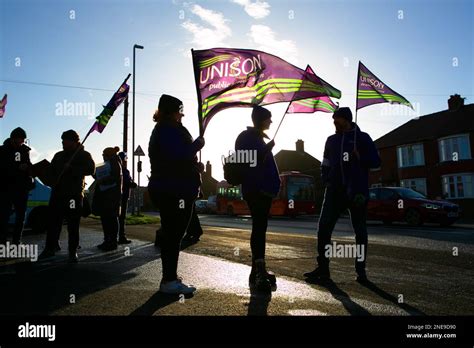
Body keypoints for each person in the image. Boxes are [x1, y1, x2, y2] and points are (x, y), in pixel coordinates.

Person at [303, 107, 381, 283]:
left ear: (346, 120)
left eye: (336, 120)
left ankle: (361, 272)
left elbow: (376, 162)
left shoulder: (363, 138)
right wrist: (326, 179)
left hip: (357, 192)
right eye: (333, 120)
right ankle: (323, 270)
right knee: (323, 228)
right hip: (334, 192)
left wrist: (361, 157)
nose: (334, 123)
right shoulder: (331, 140)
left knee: (360, 231)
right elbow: (325, 163)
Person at [148, 94, 204, 295]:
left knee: (174, 234)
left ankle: (170, 277)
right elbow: (177, 156)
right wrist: (197, 145)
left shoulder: (166, 129)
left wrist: (194, 165)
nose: (181, 115)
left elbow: (179, 158)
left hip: (173, 187)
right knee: (173, 235)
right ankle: (169, 281)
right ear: (172, 112)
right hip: (173, 190)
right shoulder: (167, 129)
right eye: (179, 111)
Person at [235, 105, 281, 293]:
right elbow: (246, 160)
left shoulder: (258, 138)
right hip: (256, 190)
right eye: (268, 118)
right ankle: (259, 272)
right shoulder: (246, 137)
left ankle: (257, 270)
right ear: (261, 119)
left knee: (260, 227)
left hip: (264, 191)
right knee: (259, 228)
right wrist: (265, 150)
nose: (271, 121)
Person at [39, 130, 95, 262]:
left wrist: (72, 168)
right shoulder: (58, 155)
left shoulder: (84, 155)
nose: (63, 143)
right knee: (53, 223)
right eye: (62, 140)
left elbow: (91, 170)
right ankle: (50, 248)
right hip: (57, 194)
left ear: (74, 141)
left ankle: (72, 251)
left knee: (73, 224)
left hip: (73, 195)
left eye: (66, 140)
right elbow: (51, 171)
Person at [0, 127, 34, 245]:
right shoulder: (2, 150)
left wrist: (30, 168)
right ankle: (2, 242)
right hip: (6, 188)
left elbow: (28, 164)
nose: (22, 142)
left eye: (23, 140)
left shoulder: (25, 150)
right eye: (20, 140)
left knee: (20, 217)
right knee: (3, 217)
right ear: (13, 139)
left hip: (21, 189)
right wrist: (17, 168)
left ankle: (16, 242)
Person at [92, 146, 123, 251]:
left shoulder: (115, 164)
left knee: (111, 218)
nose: (103, 157)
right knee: (106, 218)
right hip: (106, 195)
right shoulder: (108, 164)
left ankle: (112, 241)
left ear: (108, 155)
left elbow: (114, 177)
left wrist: (103, 180)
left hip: (111, 196)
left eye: (104, 154)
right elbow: (97, 176)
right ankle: (107, 240)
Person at [117, 151, 136, 244]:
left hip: (120, 196)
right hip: (122, 196)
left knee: (118, 217)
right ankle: (121, 236)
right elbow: (126, 182)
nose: (126, 161)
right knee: (121, 217)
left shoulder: (121, 169)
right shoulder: (123, 170)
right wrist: (132, 184)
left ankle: (114, 237)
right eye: (125, 159)